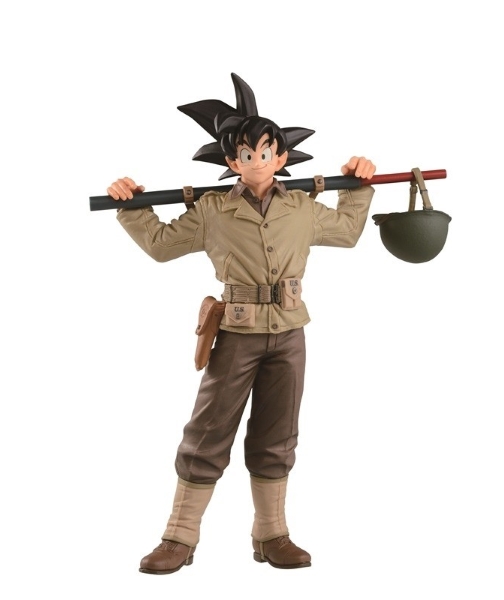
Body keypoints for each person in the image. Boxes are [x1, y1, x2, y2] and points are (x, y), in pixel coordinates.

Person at [107, 73, 376, 574]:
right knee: (208, 431)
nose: (256, 161)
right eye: (245, 154)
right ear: (231, 162)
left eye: (265, 152)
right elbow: (162, 246)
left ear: (281, 156)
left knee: (279, 434)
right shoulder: (213, 211)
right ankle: (179, 535)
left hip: (290, 333)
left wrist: (358, 186)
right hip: (236, 334)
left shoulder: (301, 208)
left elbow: (346, 232)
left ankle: (271, 533)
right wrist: (131, 206)